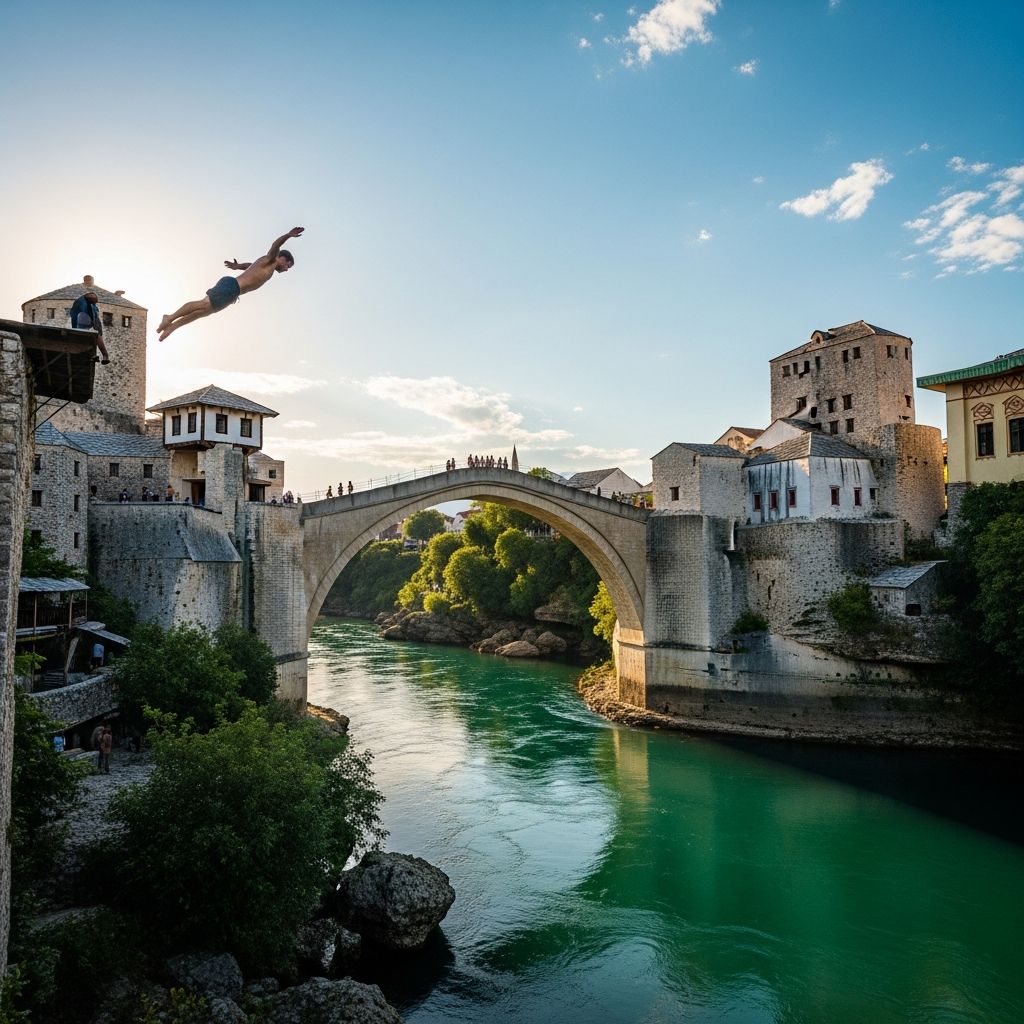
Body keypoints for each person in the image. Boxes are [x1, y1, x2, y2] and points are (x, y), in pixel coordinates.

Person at [157, 227, 304, 341]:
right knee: (203, 305)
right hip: (231, 286)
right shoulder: (270, 260)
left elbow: (250, 266)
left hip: (233, 293)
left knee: (202, 312)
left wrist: (237, 266)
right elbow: (275, 245)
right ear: (282, 258)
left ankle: (172, 327)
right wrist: (288, 235)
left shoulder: (267, 268)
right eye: (287, 265)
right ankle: (169, 318)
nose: (286, 270)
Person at [69, 291, 111, 363]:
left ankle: (104, 356)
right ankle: (93, 355)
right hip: (82, 321)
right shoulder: (79, 303)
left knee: (97, 336)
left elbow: (95, 316)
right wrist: (75, 329)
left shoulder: (92, 305)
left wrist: (97, 329)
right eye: (94, 301)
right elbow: (74, 316)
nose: (95, 302)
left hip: (91, 320)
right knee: (88, 336)